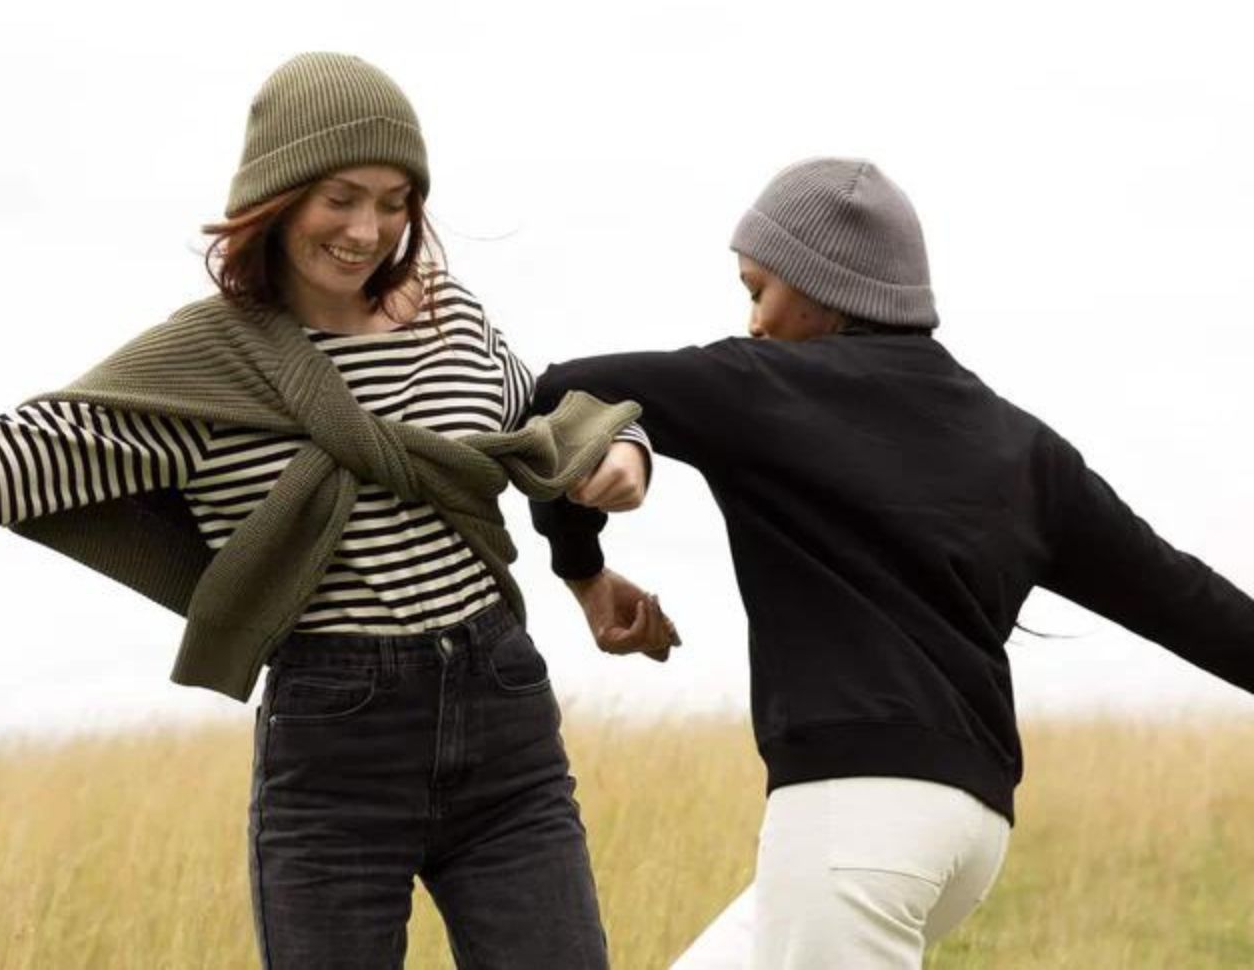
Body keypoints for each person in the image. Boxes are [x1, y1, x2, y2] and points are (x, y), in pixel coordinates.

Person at [0, 52, 669, 968]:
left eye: (393, 201)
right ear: (279, 193)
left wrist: (617, 455)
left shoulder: (448, 315)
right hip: (337, 744)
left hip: (500, 710)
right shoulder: (205, 364)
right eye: (340, 196)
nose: (365, 228)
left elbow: (540, 422)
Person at [526, 157, 1254, 969]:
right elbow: (1185, 600)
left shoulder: (759, 386)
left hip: (854, 822)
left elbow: (552, 395)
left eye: (757, 288)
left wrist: (582, 568)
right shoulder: (1023, 447)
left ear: (819, 287)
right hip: (965, 828)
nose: (755, 319)